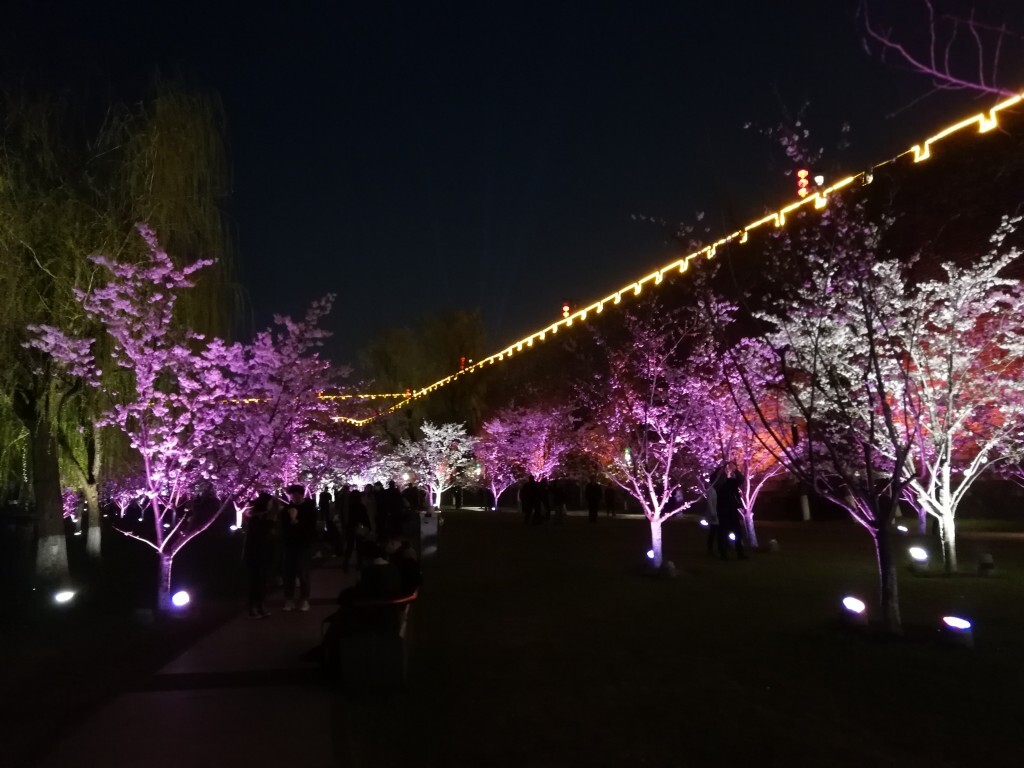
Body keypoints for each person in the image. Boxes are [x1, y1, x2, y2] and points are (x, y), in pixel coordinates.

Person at [282, 484, 317, 611]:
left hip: (303, 545)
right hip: (289, 544)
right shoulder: (287, 508)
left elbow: (311, 526)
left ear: (301, 494)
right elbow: (283, 525)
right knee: (288, 574)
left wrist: (299, 524)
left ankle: (304, 599)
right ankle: (289, 599)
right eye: (292, 495)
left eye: (296, 495)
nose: (293, 497)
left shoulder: (309, 508)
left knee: (303, 573)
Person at [243, 492, 275, 618]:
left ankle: (260, 606)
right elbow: (258, 537)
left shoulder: (262, 518)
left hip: (262, 554)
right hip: (256, 555)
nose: (271, 504)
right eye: (270, 502)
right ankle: (253, 608)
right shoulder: (256, 520)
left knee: (261, 582)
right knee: (256, 583)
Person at [716, 462, 748, 560]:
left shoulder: (730, 482)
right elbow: (719, 482)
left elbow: (741, 480)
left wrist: (735, 470)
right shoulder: (717, 481)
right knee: (723, 532)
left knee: (737, 532)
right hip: (722, 510)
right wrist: (723, 472)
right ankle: (723, 553)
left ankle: (739, 552)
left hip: (732, 509)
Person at [704, 474, 720, 557]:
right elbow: (710, 503)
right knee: (713, 532)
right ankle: (710, 549)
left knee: (714, 532)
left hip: (715, 514)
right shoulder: (711, 490)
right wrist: (713, 514)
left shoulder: (713, 489)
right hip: (714, 515)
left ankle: (711, 549)